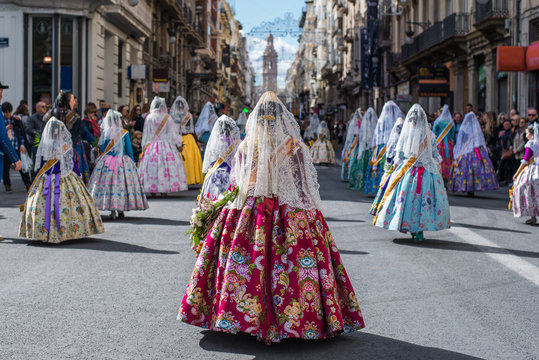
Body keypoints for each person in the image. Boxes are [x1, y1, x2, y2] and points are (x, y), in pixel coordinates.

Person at [178, 91, 365, 343]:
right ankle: (297, 320)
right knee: (294, 267)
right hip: (291, 213)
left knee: (247, 264)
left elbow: (238, 184)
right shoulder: (294, 146)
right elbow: (303, 185)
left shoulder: (246, 146)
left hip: (251, 213)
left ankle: (242, 317)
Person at [373, 104, 451, 243]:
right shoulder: (430, 135)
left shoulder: (407, 133)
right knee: (424, 201)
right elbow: (435, 155)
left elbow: (399, 155)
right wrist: (438, 169)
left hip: (408, 171)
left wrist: (392, 173)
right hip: (427, 173)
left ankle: (411, 228)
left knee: (407, 201)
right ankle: (419, 230)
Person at [19, 117, 104, 243]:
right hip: (64, 177)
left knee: (42, 203)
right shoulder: (65, 145)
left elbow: (42, 164)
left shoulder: (45, 145)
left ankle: (43, 232)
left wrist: (36, 179)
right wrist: (78, 174)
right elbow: (72, 163)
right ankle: (68, 230)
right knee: (70, 203)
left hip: (47, 177)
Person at [88, 110, 148, 219]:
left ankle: (112, 211)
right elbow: (128, 149)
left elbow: (102, 148)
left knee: (108, 186)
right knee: (122, 185)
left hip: (107, 162)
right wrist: (133, 161)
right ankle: (120, 209)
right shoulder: (124, 132)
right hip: (123, 162)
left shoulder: (106, 133)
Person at [138, 96, 188, 196]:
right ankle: (164, 190)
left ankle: (152, 189)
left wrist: (144, 146)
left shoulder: (149, 117)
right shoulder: (167, 117)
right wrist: (178, 144)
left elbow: (146, 134)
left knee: (152, 168)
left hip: (152, 146)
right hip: (166, 146)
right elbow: (173, 133)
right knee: (165, 168)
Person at [45, 91, 95, 184]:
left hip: (53, 149)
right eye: (73, 100)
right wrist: (94, 141)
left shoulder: (51, 113)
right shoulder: (74, 116)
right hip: (72, 148)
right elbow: (78, 133)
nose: (75, 102)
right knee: (73, 172)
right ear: (68, 101)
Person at [449, 112, 499, 195]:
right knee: (475, 168)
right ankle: (474, 186)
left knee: (465, 169)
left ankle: (463, 185)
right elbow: (479, 141)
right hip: (475, 151)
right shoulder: (476, 128)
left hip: (466, 151)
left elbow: (460, 141)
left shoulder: (463, 128)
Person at [364, 101, 403, 195]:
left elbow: (377, 133)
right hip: (395, 146)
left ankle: (376, 188)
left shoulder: (382, 119)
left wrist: (375, 146)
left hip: (382, 146)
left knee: (380, 167)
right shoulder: (399, 119)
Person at [199, 115, 240, 203]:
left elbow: (212, 155)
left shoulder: (217, 140)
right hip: (231, 173)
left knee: (214, 197)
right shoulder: (236, 141)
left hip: (216, 172)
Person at [369, 116, 405, 215]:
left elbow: (389, 154)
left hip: (393, 165)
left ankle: (379, 207)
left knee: (387, 186)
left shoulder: (394, 137)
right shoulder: (399, 138)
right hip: (396, 166)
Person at [170, 96, 204, 185]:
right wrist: (197, 140)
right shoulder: (189, 115)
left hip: (177, 137)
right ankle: (190, 179)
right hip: (188, 139)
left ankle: (178, 179)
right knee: (190, 159)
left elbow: (172, 129)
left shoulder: (173, 116)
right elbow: (192, 129)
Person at [511, 123, 539, 224]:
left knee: (527, 190)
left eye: (527, 133)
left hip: (535, 169)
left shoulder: (531, 144)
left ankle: (533, 216)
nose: (526, 135)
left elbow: (525, 161)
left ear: (531, 134)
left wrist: (517, 173)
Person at [2, 102, 31, 191]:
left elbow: (22, 134)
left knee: (21, 167)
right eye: (6, 112)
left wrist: (22, 145)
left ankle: (28, 184)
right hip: (6, 148)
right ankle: (7, 185)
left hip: (16, 146)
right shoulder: (2, 121)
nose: (8, 114)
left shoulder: (15, 120)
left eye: (9, 112)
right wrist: (6, 128)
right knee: (5, 168)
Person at [349, 107, 377, 190]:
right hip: (361, 145)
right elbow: (362, 136)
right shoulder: (358, 122)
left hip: (368, 147)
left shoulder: (368, 122)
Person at [432, 105, 455, 183]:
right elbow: (452, 134)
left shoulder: (438, 121)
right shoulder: (451, 122)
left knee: (439, 159)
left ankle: (440, 175)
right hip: (448, 144)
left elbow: (434, 132)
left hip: (439, 143)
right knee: (448, 159)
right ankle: (448, 176)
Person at [340, 108, 362, 181]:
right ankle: (349, 175)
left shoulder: (362, 121)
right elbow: (352, 133)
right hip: (354, 142)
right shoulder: (354, 122)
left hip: (358, 141)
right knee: (351, 157)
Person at [498, 119, 515, 185]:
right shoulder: (503, 132)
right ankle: (505, 178)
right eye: (505, 125)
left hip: (507, 150)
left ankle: (508, 179)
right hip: (502, 150)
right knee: (505, 166)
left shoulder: (510, 132)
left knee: (508, 166)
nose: (506, 126)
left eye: (508, 124)